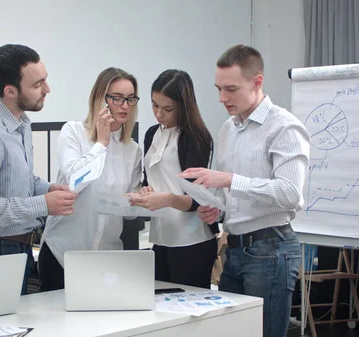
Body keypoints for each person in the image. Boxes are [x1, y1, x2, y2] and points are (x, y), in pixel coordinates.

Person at [180, 44, 310, 337]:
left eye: (231, 89)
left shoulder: (284, 127)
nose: (222, 98)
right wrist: (217, 208)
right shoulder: (228, 128)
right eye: (218, 89)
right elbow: (235, 194)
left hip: (271, 247)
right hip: (234, 248)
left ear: (257, 82)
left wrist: (229, 181)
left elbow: (291, 193)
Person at [0, 44, 77, 295]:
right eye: (37, 85)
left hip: (17, 249)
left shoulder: (20, 123)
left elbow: (16, 180)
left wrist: (47, 188)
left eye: (45, 80)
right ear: (10, 91)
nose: (47, 90)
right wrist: (43, 204)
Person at [38, 67, 143, 291]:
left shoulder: (132, 149)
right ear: (100, 99)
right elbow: (74, 182)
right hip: (63, 254)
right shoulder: (74, 132)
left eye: (131, 99)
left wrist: (139, 199)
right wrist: (101, 144)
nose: (125, 106)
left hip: (106, 258)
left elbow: (129, 211)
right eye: (117, 98)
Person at [128, 69, 217, 289]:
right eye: (154, 105)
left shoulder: (194, 137)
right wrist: (147, 192)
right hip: (161, 237)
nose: (159, 114)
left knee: (186, 310)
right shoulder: (151, 134)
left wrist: (167, 199)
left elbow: (197, 199)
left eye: (167, 108)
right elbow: (152, 180)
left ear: (183, 105)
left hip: (192, 240)